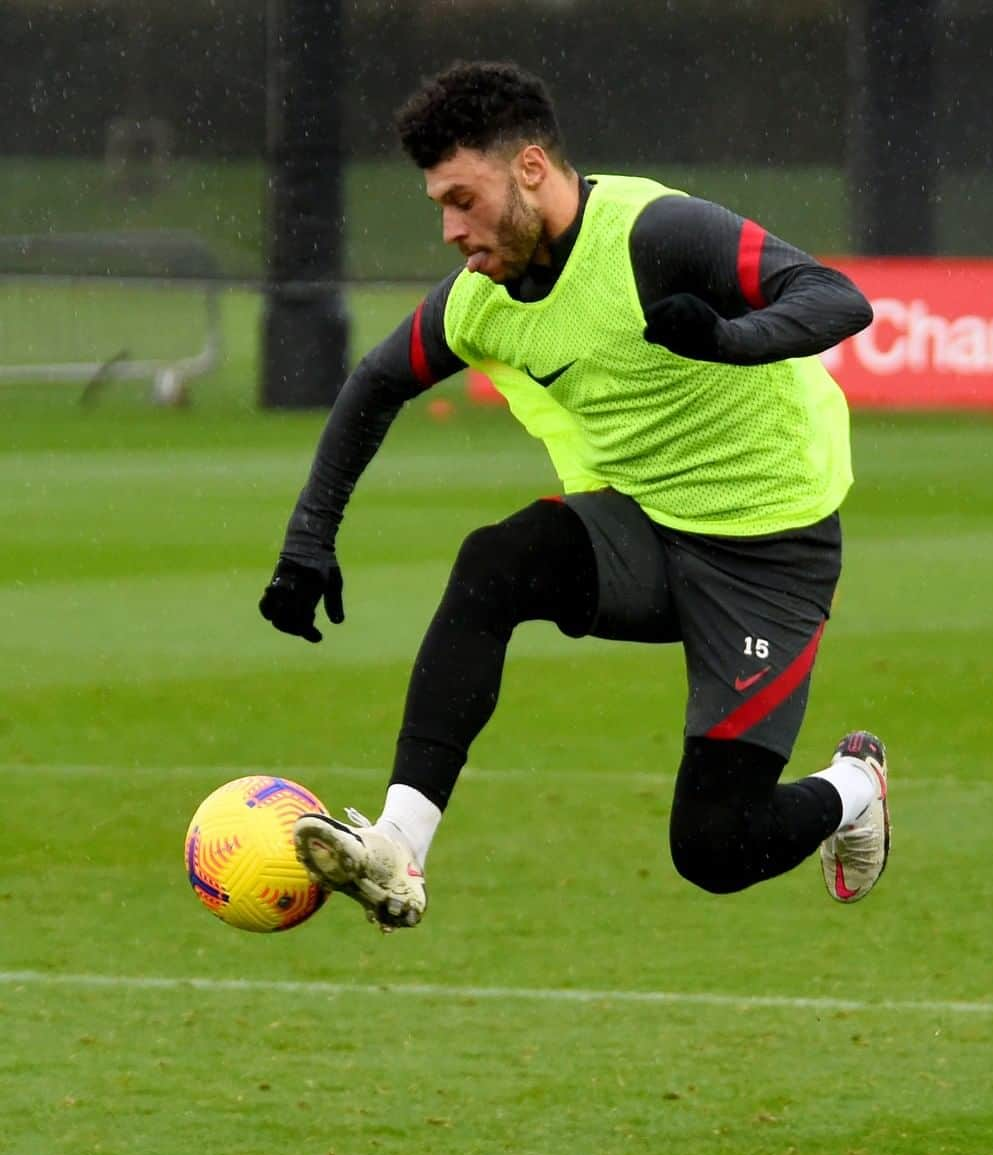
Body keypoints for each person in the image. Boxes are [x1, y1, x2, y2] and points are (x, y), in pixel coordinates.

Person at [259, 60, 889, 933]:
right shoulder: (481, 299)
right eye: (438, 204)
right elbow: (375, 382)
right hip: (644, 529)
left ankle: (856, 786)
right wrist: (308, 540)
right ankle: (400, 843)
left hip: (768, 554)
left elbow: (835, 298)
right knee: (496, 562)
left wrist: (727, 338)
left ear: (528, 169)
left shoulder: (654, 233)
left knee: (714, 848)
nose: (449, 228)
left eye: (462, 199)